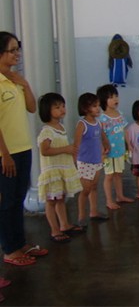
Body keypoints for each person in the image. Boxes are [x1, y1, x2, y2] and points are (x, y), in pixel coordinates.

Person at [0, 32, 48, 266]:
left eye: (17, 49)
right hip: (5, 153)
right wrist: (5, 154)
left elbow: (31, 108)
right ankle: (10, 250)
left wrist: (25, 84)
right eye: (12, 50)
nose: (17, 54)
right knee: (7, 201)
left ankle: (20, 243)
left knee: (18, 198)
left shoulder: (14, 81)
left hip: (23, 148)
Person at [37, 93, 84, 243]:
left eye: (63, 106)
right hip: (53, 171)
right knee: (51, 201)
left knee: (61, 198)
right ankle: (54, 230)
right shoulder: (47, 131)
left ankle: (64, 225)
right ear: (47, 110)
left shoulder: (61, 127)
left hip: (62, 169)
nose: (62, 109)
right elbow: (45, 150)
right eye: (57, 107)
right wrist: (66, 149)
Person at [74, 92, 110, 226]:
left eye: (98, 105)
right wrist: (74, 162)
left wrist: (106, 145)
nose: (98, 108)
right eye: (94, 106)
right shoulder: (82, 124)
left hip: (96, 161)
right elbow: (76, 144)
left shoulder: (98, 123)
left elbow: (102, 135)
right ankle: (81, 216)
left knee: (94, 187)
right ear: (85, 108)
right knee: (85, 190)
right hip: (85, 162)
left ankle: (94, 211)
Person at [97, 84, 133, 209]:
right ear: (103, 100)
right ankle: (109, 201)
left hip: (120, 151)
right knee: (109, 176)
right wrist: (102, 151)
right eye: (111, 97)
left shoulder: (120, 114)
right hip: (109, 153)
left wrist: (129, 145)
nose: (115, 99)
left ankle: (120, 196)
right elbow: (100, 137)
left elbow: (125, 131)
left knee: (119, 174)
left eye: (116, 96)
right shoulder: (102, 118)